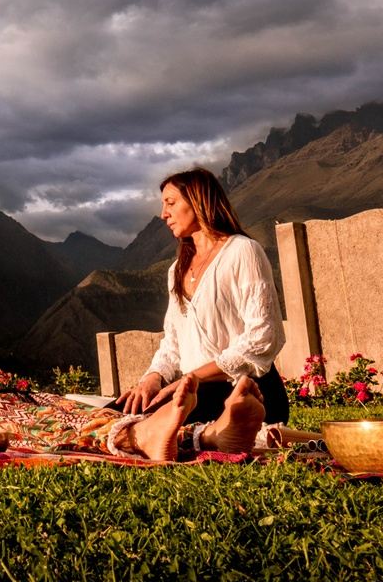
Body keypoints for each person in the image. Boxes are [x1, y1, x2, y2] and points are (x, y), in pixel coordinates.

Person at [116, 167, 290, 436]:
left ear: (198, 201)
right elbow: (173, 342)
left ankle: (221, 430)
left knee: (138, 428)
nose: (164, 214)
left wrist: (194, 377)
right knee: (112, 417)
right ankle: (199, 434)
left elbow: (262, 336)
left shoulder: (243, 251)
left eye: (171, 203)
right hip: (191, 390)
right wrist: (154, 377)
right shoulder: (177, 269)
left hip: (244, 388)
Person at [0, 373, 269, 462]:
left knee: (85, 413)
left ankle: (211, 435)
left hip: (27, 397)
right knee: (63, 430)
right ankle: (138, 438)